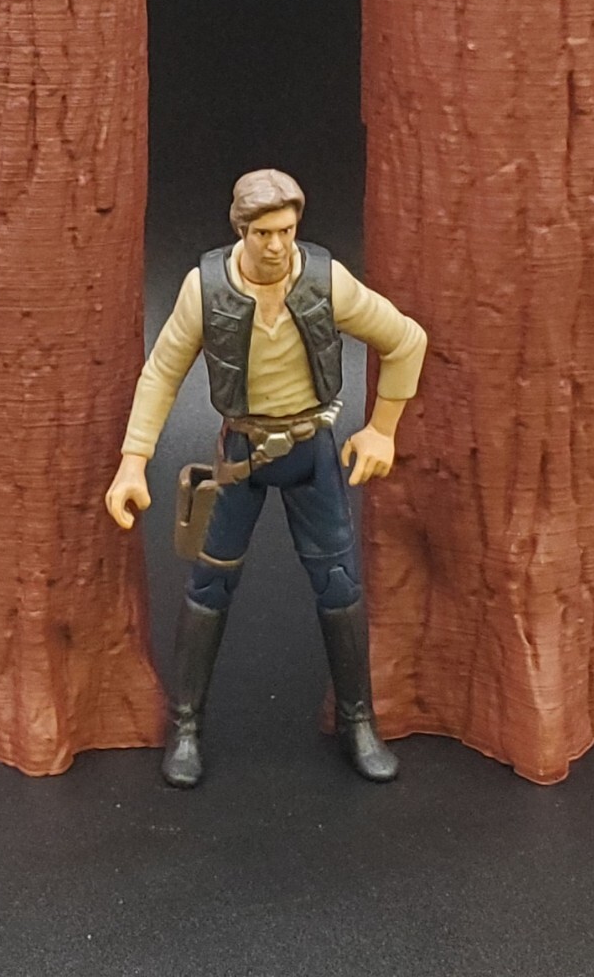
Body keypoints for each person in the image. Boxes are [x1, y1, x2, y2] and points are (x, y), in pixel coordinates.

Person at [104, 168, 427, 788]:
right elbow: (162, 372)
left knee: (338, 584)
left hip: (312, 451)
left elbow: (406, 340)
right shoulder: (205, 289)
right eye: (263, 233)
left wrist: (382, 429)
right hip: (241, 456)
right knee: (209, 585)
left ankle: (359, 721)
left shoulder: (325, 280)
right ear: (240, 231)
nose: (277, 245)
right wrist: (132, 461)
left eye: (286, 230)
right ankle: (186, 726)